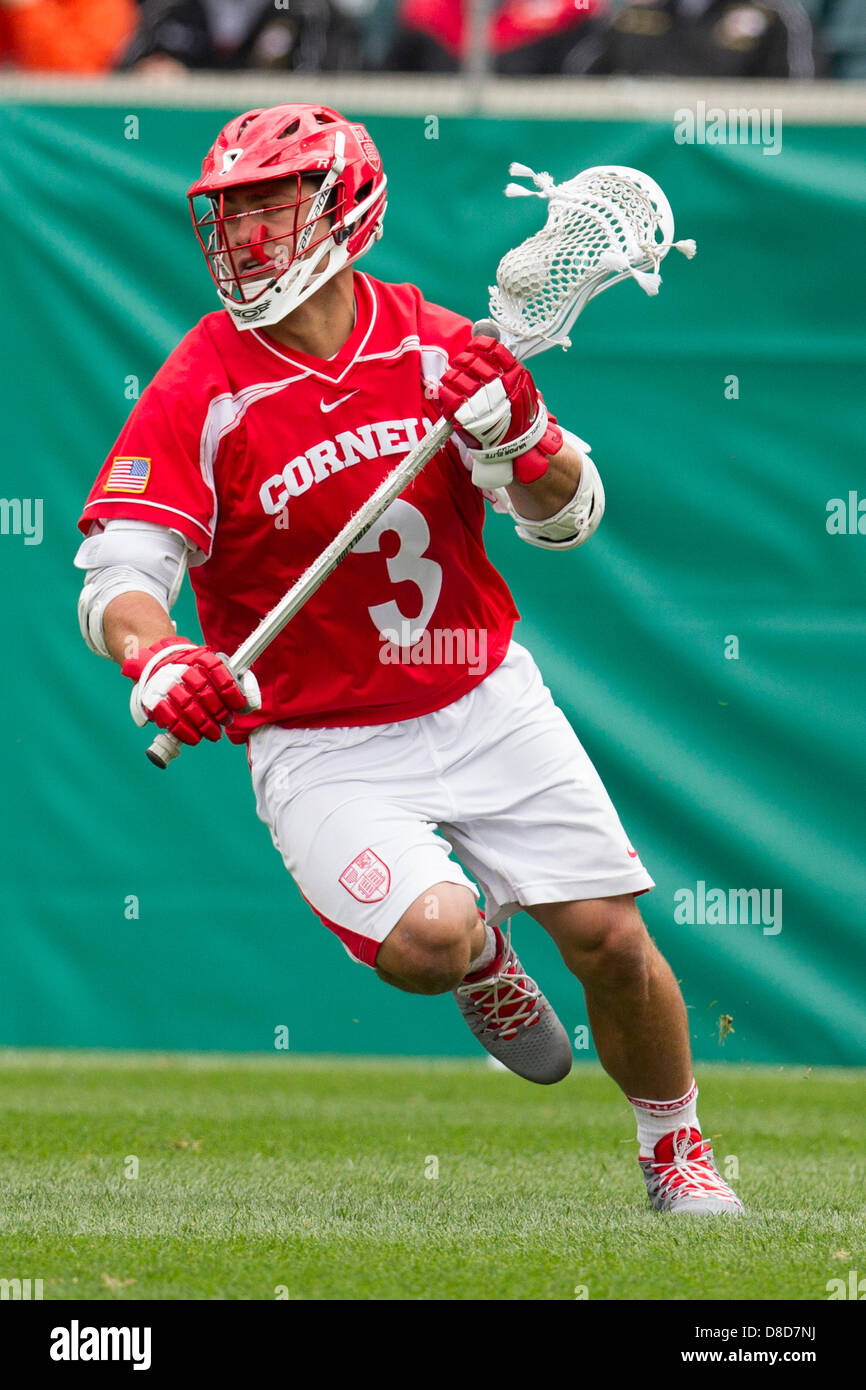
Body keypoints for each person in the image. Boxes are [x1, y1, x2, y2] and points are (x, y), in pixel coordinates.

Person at [74, 103, 743, 1216]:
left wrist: (518, 432)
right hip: (321, 735)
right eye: (228, 211)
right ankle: (484, 960)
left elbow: (568, 517)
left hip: (480, 695)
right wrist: (156, 659)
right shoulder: (204, 381)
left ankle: (674, 1151)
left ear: (343, 209)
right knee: (428, 940)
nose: (242, 235)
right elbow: (119, 573)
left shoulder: (440, 344)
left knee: (609, 940)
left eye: (268, 205)